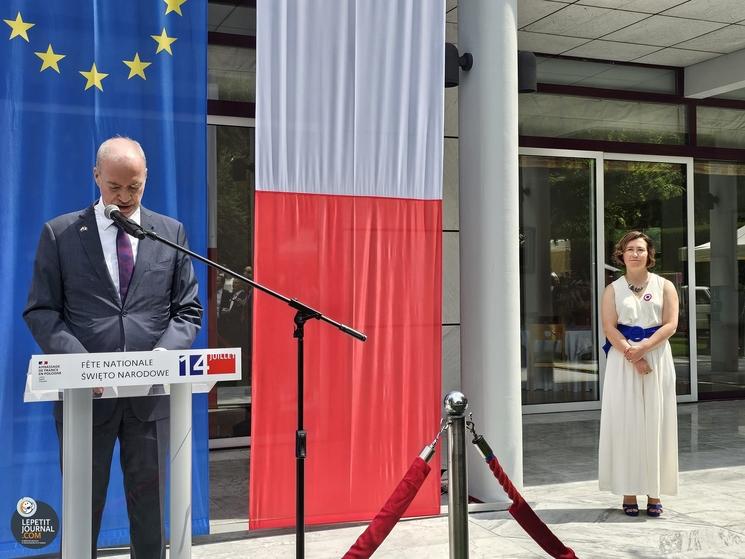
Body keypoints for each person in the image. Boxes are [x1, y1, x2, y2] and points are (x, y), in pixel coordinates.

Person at [23, 137, 202, 558]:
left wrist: (163, 359)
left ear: (146, 180)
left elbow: (188, 310)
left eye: (133, 188)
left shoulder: (170, 232)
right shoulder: (61, 233)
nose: (123, 198)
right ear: (96, 177)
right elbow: (41, 311)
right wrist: (84, 367)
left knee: (149, 513)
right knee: (84, 507)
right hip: (87, 398)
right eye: (114, 187)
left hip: (151, 399)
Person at [598, 231, 679, 518]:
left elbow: (670, 324)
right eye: (629, 249)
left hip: (656, 357)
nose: (635, 254)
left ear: (649, 254)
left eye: (640, 249)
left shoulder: (665, 286)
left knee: (657, 422)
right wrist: (633, 356)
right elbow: (609, 327)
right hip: (624, 360)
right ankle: (629, 491)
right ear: (621, 254)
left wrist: (645, 347)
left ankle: (655, 494)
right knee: (626, 424)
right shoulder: (613, 289)